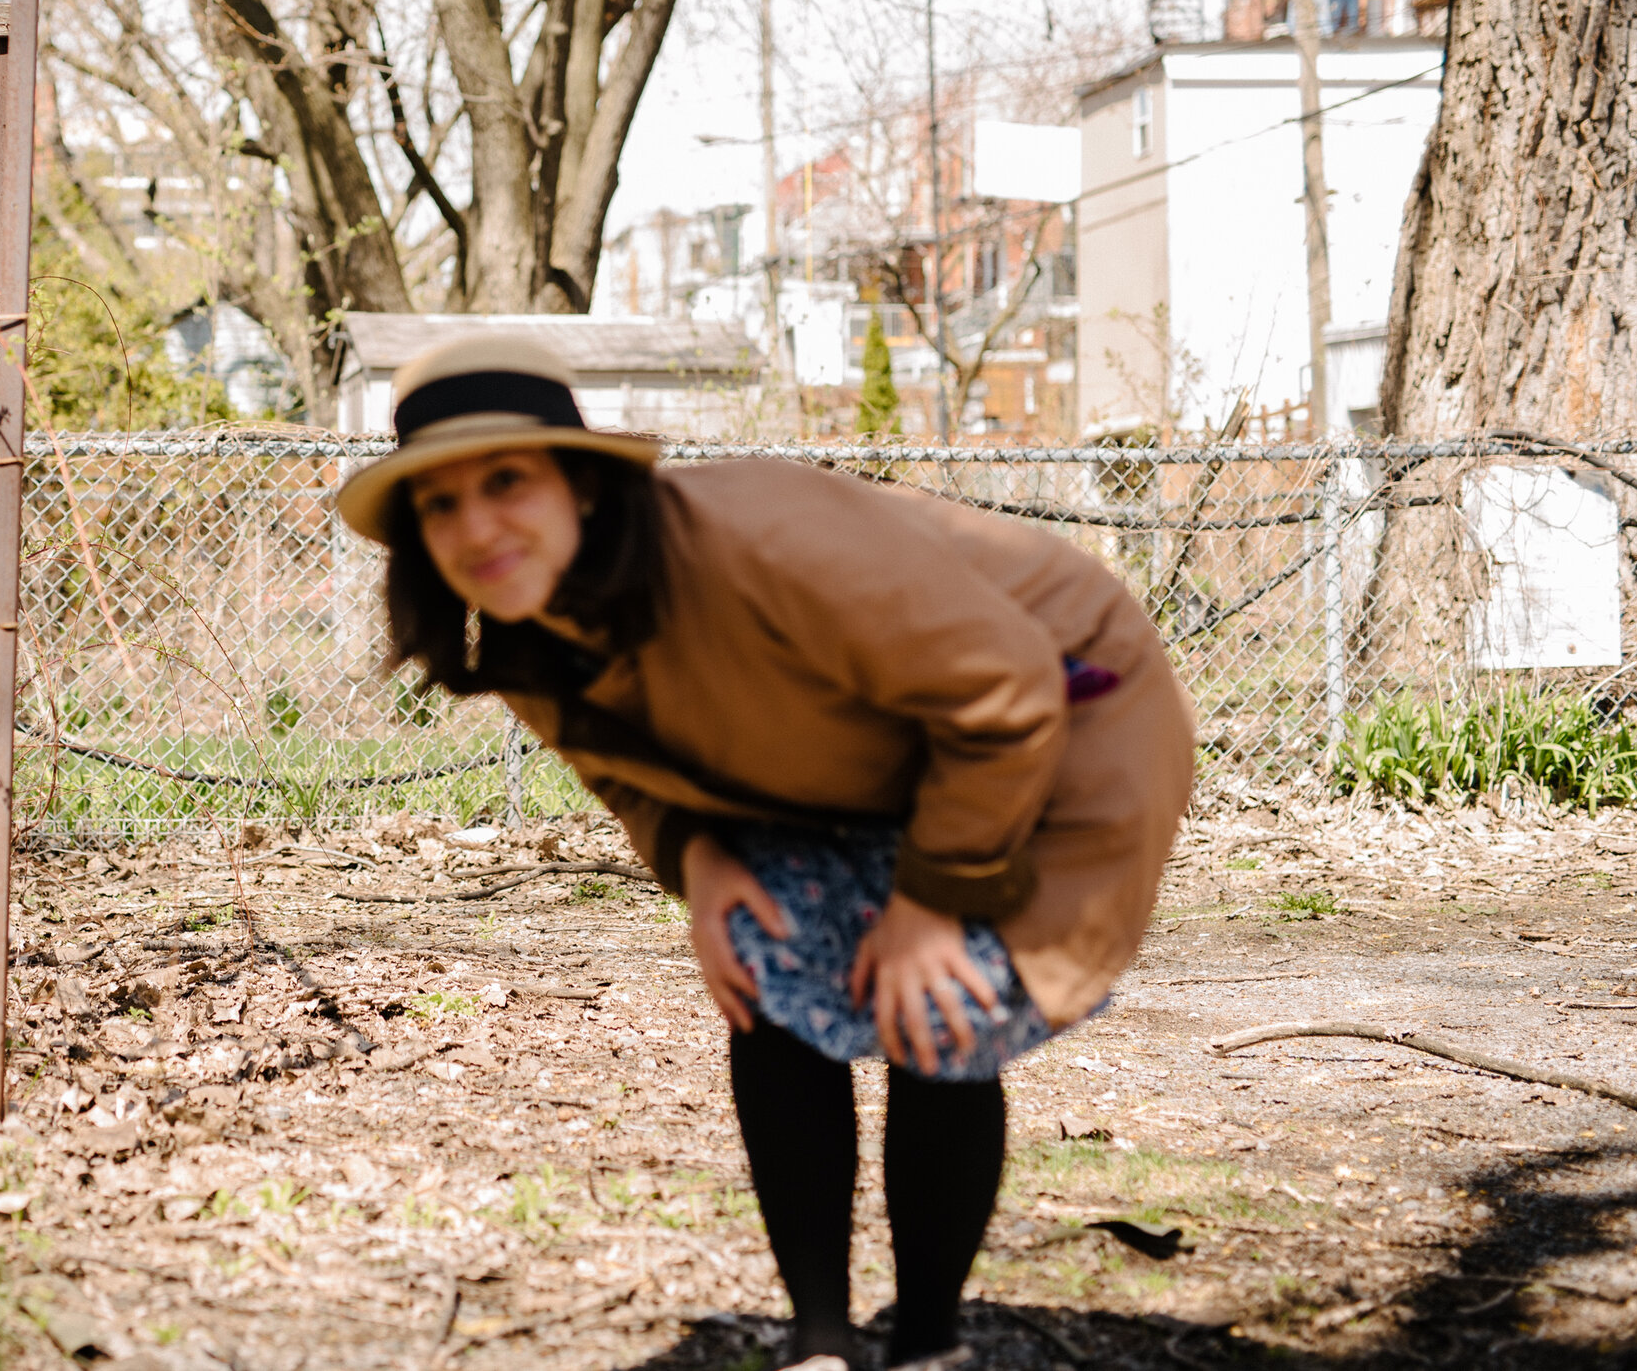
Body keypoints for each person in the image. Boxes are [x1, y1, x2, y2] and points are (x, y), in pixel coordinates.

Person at [335, 335, 1194, 1371]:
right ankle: (818, 1343)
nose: (474, 526)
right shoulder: (522, 631)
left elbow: (998, 691)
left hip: (1053, 708)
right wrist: (696, 861)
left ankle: (928, 1341)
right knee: (766, 968)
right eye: (438, 503)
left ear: (582, 483)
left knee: (937, 1001)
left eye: (506, 479)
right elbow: (624, 775)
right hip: (842, 763)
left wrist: (928, 903)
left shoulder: (762, 542)